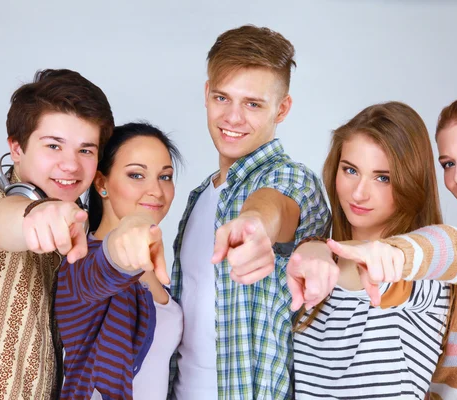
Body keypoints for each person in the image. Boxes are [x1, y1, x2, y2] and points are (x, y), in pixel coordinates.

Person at [301, 91, 457, 399]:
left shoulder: (446, 255)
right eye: (448, 163)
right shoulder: (449, 256)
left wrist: (391, 254)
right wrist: (315, 248)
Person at [0, 69, 114, 399]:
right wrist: (33, 213)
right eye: (54, 146)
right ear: (16, 148)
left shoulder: (74, 241)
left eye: (85, 150)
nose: (70, 165)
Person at [168, 25, 329, 399]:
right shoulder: (197, 198)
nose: (233, 118)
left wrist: (255, 224)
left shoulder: (290, 177)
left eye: (253, 104)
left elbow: (275, 204)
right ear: (207, 94)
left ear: (282, 108)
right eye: (223, 98)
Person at [290, 102, 450, 399]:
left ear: (411, 182)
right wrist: (316, 248)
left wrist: (317, 248)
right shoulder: (314, 271)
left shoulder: (424, 266)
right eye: (350, 170)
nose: (359, 192)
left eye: (382, 178)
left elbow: (422, 263)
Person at [55, 122, 183, 400]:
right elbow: (105, 269)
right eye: (136, 175)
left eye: (165, 177)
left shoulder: (154, 264)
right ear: (102, 184)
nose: (156, 191)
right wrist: (126, 236)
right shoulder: (81, 262)